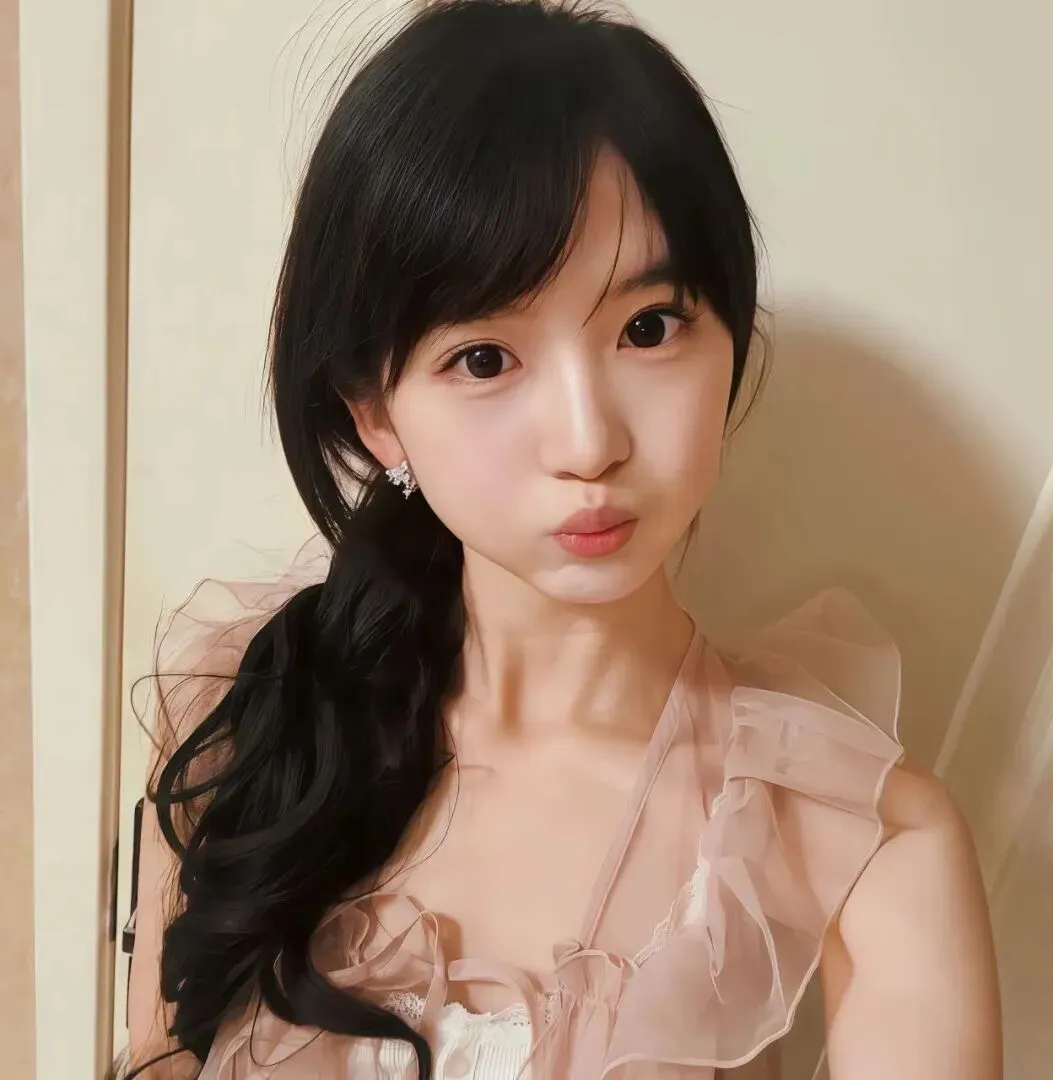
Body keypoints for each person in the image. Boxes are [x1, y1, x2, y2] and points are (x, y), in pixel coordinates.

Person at [124, 1, 1003, 1077]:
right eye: (485, 359)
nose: (590, 443)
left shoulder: (867, 842)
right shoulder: (250, 723)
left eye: (649, 328)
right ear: (376, 413)